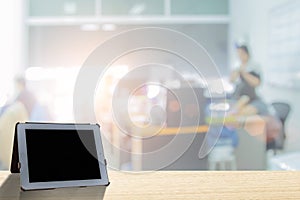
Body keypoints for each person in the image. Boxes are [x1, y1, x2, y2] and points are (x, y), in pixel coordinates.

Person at [230, 45, 269, 116]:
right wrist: (236, 72)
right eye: (238, 54)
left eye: (241, 54)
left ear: (247, 54)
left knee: (245, 104)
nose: (240, 56)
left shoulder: (254, 66)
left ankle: (234, 113)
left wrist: (244, 73)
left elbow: (257, 83)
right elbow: (231, 80)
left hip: (250, 96)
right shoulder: (236, 66)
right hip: (237, 96)